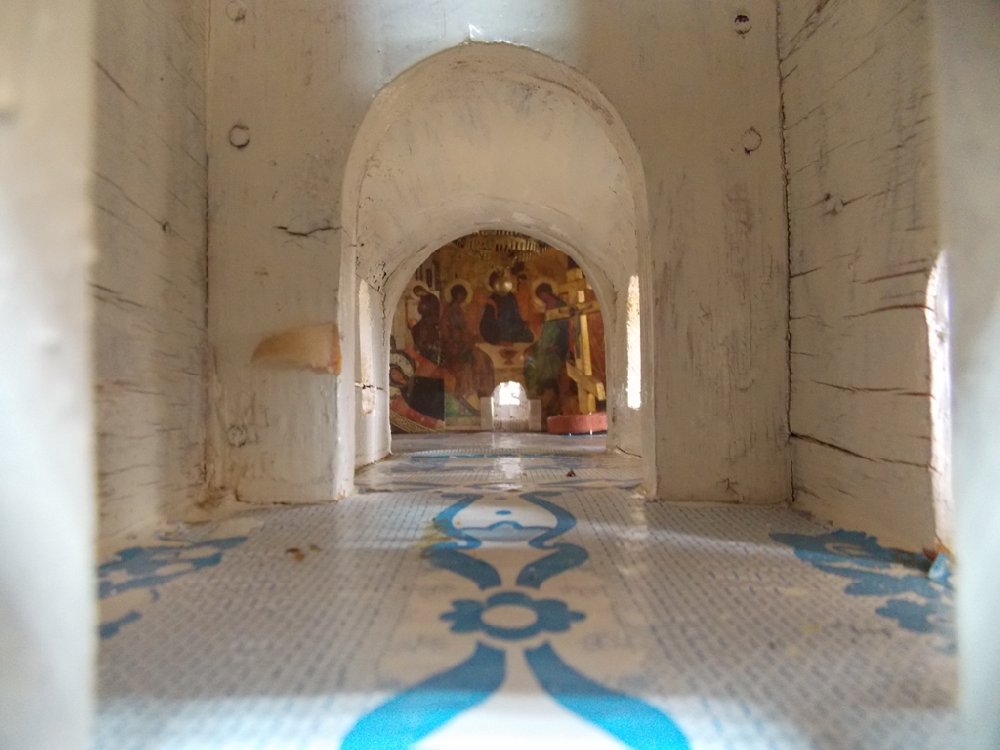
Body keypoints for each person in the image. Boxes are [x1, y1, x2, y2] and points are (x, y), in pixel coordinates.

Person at [479, 271, 534, 344]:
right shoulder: (492, 298)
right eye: (495, 283)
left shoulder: (510, 296)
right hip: (498, 330)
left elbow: (516, 315)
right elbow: (487, 322)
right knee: (493, 334)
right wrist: (497, 340)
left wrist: (523, 324)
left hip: (512, 329)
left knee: (529, 336)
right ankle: (500, 340)